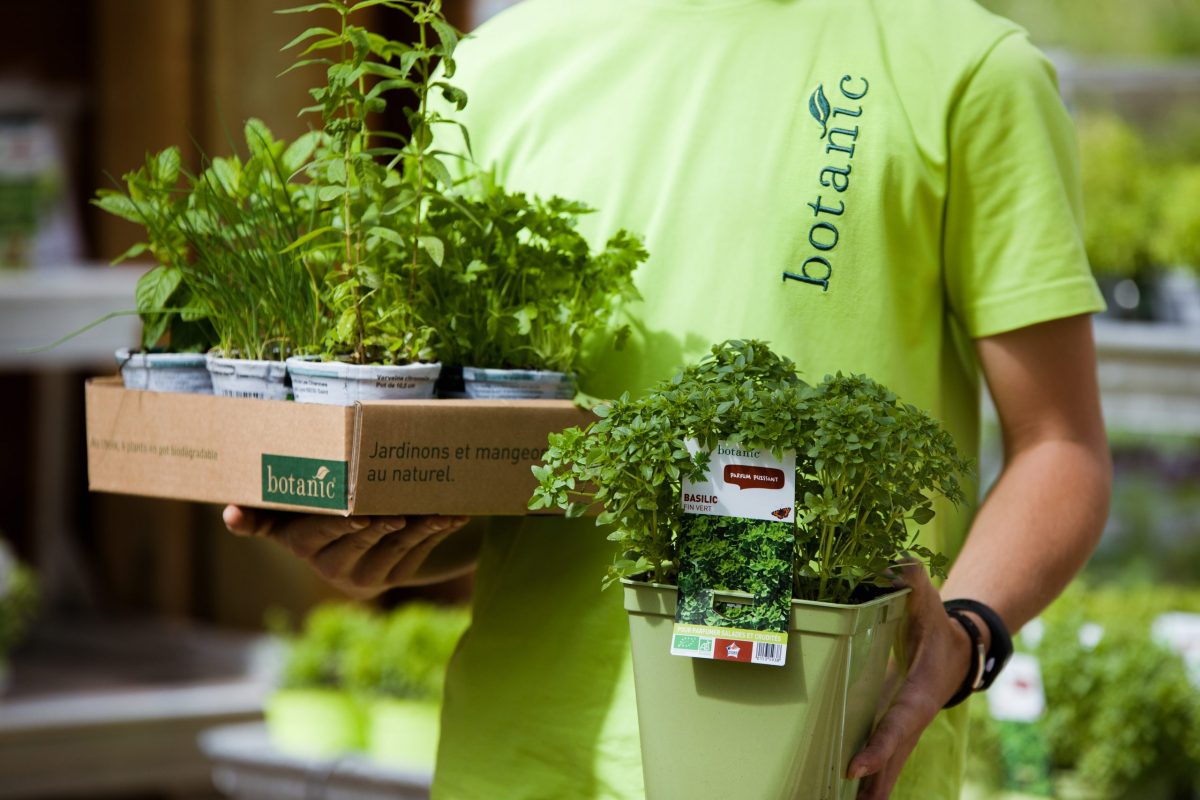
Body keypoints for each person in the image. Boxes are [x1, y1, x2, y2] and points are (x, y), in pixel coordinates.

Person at [225, 0, 1113, 797]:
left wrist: (966, 634)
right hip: (524, 760)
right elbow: (489, 454)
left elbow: (1060, 447)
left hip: (816, 761)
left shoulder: (967, 67)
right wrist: (381, 537)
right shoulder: (493, 70)